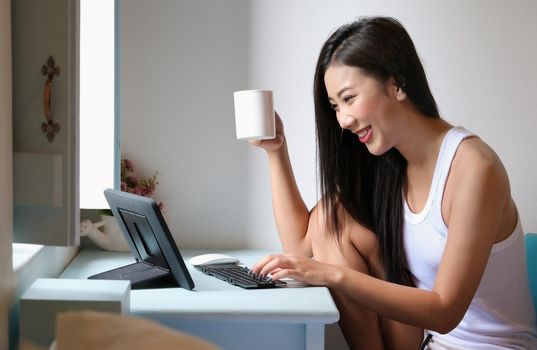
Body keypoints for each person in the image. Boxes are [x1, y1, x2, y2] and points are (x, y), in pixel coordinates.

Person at [249, 16, 537, 350]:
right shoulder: (389, 163)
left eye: (349, 98)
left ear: (397, 84)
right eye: (334, 106)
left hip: (493, 347)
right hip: (429, 344)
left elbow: (446, 311)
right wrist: (276, 152)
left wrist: (330, 274)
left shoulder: (474, 167)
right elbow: (301, 246)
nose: (343, 120)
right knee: (333, 227)